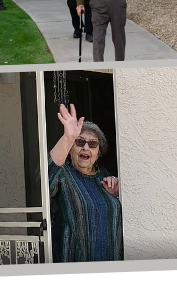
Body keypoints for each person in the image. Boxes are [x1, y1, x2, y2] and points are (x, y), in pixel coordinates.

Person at [49, 103, 123, 262]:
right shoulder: (64, 174)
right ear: (70, 149)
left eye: (93, 144)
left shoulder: (103, 175)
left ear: (99, 152)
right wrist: (68, 137)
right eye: (80, 142)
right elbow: (46, 178)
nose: (86, 147)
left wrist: (118, 194)